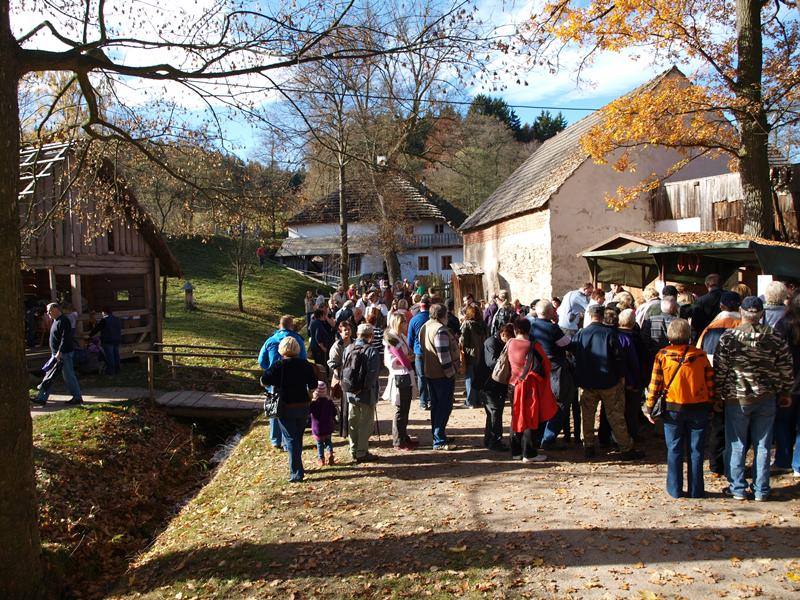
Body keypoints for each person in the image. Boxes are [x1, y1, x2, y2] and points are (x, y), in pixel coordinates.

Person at [714, 297, 794, 501]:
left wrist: (717, 394)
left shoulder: (729, 337)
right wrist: (785, 391)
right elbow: (786, 367)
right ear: (761, 314)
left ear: (742, 312)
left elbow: (720, 369)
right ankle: (761, 489)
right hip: (766, 396)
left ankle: (738, 488)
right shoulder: (775, 337)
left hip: (737, 397)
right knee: (763, 444)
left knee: (737, 443)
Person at [645, 319, 715, 499]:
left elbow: (655, 384)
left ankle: (675, 489)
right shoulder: (700, 356)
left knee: (674, 449)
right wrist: (713, 403)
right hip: (699, 406)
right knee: (696, 450)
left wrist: (649, 407)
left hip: (673, 407)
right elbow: (710, 384)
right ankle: (696, 490)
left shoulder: (663, 355)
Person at [571, 304, 644, 460]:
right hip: (609, 382)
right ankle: (625, 447)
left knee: (588, 416)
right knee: (616, 416)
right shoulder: (610, 334)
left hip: (587, 382)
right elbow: (619, 358)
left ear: (590, 316)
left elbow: (573, 354)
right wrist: (621, 376)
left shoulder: (581, 334)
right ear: (602, 316)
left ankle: (589, 445)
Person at [260, 336, 318, 482]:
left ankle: (296, 473)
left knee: (291, 439)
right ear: (297, 349)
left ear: (282, 349)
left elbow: (264, 380)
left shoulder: (278, 365)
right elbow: (313, 385)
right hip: (303, 405)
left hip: (285, 406)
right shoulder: (305, 365)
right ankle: (298, 467)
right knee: (297, 437)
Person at [506, 318, 556, 462]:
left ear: (515, 329)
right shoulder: (533, 346)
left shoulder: (510, 343)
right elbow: (546, 366)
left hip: (513, 384)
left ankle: (516, 452)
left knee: (516, 416)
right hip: (529, 386)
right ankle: (529, 453)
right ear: (529, 330)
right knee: (529, 418)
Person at [531, 300, 575, 450]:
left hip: (538, 369)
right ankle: (548, 438)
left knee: (543, 403)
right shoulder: (552, 329)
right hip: (555, 368)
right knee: (561, 402)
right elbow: (567, 344)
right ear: (550, 312)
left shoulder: (532, 326)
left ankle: (539, 436)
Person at [258, 315, 307, 451]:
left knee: (274, 407)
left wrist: (270, 369)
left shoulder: (270, 340)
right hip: (293, 380)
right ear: (291, 325)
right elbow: (303, 359)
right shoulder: (297, 339)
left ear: (279, 325)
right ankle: (287, 442)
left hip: (274, 381)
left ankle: (275, 439)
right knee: (289, 409)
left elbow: (261, 360)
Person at [420, 303, 460, 450]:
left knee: (436, 406)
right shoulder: (440, 330)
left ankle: (439, 434)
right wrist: (451, 373)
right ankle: (439, 440)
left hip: (430, 372)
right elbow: (443, 356)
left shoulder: (425, 326)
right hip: (442, 374)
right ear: (443, 315)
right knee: (443, 407)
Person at [31, 302, 83, 406]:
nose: (48, 313)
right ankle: (41, 397)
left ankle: (77, 398)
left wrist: (59, 353)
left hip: (63, 354)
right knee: (49, 375)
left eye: (49, 311)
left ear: (56, 310)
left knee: (69, 376)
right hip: (55, 354)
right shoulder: (55, 321)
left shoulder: (64, 321)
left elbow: (65, 339)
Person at [343, 323, 381, 462]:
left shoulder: (348, 348)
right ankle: (362, 452)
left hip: (350, 391)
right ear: (370, 336)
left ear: (358, 334)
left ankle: (353, 449)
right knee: (365, 423)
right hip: (366, 393)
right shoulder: (371, 351)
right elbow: (373, 375)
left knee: (353, 421)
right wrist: (364, 388)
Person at [383, 312, 418, 451]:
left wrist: (409, 358)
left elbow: (410, 354)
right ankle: (398, 441)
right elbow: (404, 359)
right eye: (403, 322)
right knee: (400, 410)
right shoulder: (392, 339)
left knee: (405, 409)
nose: (406, 324)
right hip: (399, 376)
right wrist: (408, 359)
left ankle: (403, 436)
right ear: (397, 323)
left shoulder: (400, 336)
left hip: (405, 375)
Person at [774, 291, 800, 476]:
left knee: (783, 422)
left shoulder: (783, 325)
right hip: (792, 381)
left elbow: (775, 354)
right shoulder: (784, 324)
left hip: (787, 381)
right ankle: (798, 463)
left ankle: (784, 460)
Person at [479, 323, 515, 451]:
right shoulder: (491, 343)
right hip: (489, 384)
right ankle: (494, 440)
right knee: (494, 412)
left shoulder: (498, 343)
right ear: (503, 334)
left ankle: (490, 439)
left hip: (495, 385)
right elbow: (491, 362)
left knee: (494, 412)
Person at [617, 309, 645, 440]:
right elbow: (635, 363)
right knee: (631, 410)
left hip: (617, 379)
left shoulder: (614, 335)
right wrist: (634, 381)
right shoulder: (632, 339)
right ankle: (631, 435)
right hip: (630, 380)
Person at [328, 320, 354, 438]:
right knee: (343, 405)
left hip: (354, 378)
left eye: (348, 329)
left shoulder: (355, 343)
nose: (347, 332)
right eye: (345, 330)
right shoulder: (337, 346)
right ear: (340, 332)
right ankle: (344, 430)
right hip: (341, 378)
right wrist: (341, 377)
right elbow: (333, 364)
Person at [460, 304, 487, 408]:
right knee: (479, 377)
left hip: (470, 354)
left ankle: (471, 401)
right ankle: (479, 400)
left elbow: (463, 341)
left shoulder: (467, 325)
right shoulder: (483, 324)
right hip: (482, 354)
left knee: (470, 378)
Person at [408, 297, 431, 410]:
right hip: (432, 352)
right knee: (432, 376)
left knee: (421, 377)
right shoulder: (433, 318)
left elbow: (410, 340)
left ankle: (423, 402)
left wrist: (412, 350)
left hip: (419, 352)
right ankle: (431, 399)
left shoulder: (414, 320)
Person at [309, 381, 337, 467]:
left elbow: (309, 412)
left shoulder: (313, 404)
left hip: (318, 428)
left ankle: (321, 459)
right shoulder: (329, 402)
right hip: (328, 427)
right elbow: (334, 412)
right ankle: (330, 453)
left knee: (320, 443)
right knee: (328, 441)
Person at [89, 307, 123, 375]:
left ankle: (111, 372)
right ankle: (117, 370)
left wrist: (90, 335)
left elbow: (97, 328)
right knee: (116, 355)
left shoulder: (104, 320)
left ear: (104, 312)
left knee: (110, 357)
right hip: (117, 339)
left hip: (108, 340)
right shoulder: (117, 319)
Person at [691, 273, 723, 342]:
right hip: (726, 334)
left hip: (706, 337)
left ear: (707, 285)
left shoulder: (701, 301)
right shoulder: (728, 297)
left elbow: (695, 323)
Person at [308, 308, 334, 376]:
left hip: (314, 347)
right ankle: (322, 378)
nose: (325, 317)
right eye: (324, 315)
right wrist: (323, 347)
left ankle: (319, 377)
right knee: (321, 365)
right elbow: (318, 337)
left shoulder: (313, 322)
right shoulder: (318, 324)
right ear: (321, 316)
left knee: (318, 364)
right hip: (318, 349)